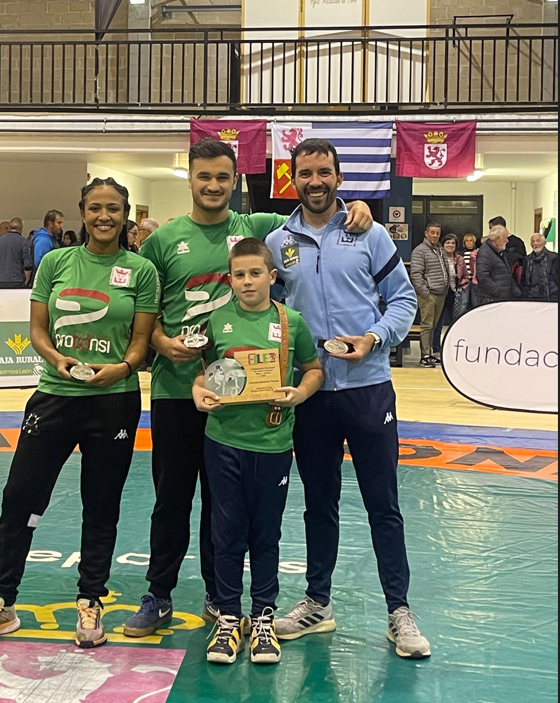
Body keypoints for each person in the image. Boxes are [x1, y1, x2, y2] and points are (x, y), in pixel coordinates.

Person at [123, 138, 373, 639]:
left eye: (223, 177)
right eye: (204, 176)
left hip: (240, 402)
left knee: (223, 507)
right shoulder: (162, 240)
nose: (213, 186)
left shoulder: (257, 227)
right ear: (189, 180)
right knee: (171, 499)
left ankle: (219, 598)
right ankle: (160, 594)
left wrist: (356, 208)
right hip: (178, 390)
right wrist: (160, 342)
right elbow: (142, 308)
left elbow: (313, 216)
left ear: (235, 182)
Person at [0, 177, 160, 649]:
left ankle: (90, 600)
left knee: (102, 505)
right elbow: (37, 329)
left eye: (113, 208)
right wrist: (57, 360)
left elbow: (140, 341)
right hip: (54, 396)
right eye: (95, 208)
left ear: (125, 215)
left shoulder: (141, 270)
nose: (104, 216)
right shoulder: (55, 262)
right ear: (82, 212)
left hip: (114, 401)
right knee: (20, 498)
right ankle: (2, 602)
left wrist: (123, 368)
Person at [266, 138, 430, 661]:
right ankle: (318, 602)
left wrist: (375, 338)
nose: (315, 182)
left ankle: (399, 611)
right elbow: (269, 311)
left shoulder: (370, 232)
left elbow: (403, 298)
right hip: (312, 392)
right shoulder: (277, 241)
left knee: (384, 504)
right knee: (320, 503)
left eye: (324, 172)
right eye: (305, 173)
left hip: (368, 389)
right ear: (293, 179)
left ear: (339, 177)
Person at [192, 239, 323, 666]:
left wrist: (300, 393)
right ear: (229, 279)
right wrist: (197, 392)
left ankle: (264, 616)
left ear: (272, 276)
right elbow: (203, 374)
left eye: (255, 273)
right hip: (223, 442)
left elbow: (314, 370)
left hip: (272, 444)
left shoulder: (291, 322)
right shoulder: (216, 320)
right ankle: (229, 616)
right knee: (227, 533)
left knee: (266, 534)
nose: (247, 281)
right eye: (239, 275)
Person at [410, 223, 450, 368]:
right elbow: (416, 274)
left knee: (434, 325)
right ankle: (425, 356)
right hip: (428, 295)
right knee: (427, 325)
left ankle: (430, 353)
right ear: (426, 233)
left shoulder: (440, 249)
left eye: (437, 233)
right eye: (432, 232)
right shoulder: (419, 251)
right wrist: (424, 292)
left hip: (441, 294)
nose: (435, 235)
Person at [433, 234, 470, 354]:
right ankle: (436, 348)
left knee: (455, 321)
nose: (450, 245)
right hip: (440, 293)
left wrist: (462, 286)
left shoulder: (459, 259)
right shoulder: (438, 258)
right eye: (447, 243)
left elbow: (465, 275)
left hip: (454, 293)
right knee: (438, 323)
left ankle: (453, 346)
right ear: (443, 244)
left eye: (453, 243)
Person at [476, 225, 522, 304]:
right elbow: (482, 277)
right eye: (505, 238)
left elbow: (506, 273)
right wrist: (499, 291)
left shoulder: (499, 251)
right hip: (491, 300)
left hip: (500, 298)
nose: (507, 241)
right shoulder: (485, 252)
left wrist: (515, 291)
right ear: (498, 238)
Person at [0, 218, 33, 288]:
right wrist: (27, 280)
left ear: (10, 227)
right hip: (17, 280)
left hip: (1, 280)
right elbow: (27, 264)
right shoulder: (23, 242)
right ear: (21, 228)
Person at [525, 234, 559, 302]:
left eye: (538, 241)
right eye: (533, 241)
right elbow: (523, 281)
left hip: (552, 296)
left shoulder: (554, 258)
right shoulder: (526, 260)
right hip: (531, 297)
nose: (535, 244)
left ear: (544, 243)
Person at [33, 211, 64, 279]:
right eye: (59, 223)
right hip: (44, 280)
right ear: (50, 224)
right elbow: (39, 263)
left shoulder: (50, 238)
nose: (61, 226)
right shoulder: (43, 240)